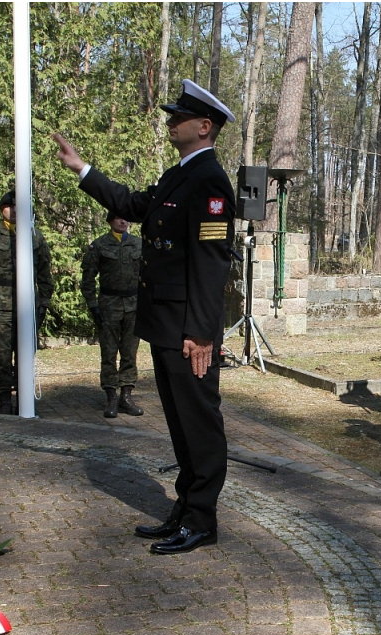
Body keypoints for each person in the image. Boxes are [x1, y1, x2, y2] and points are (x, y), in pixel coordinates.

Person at [54, 78, 236, 555]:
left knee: (199, 422)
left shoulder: (210, 180)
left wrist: (201, 333)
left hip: (187, 330)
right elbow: (134, 205)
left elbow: (212, 263)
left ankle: (202, 518)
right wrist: (83, 169)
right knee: (178, 421)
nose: (171, 122)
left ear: (204, 126)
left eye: (179, 117)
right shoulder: (179, 174)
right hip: (164, 322)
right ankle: (185, 507)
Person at [0, 191, 55, 415]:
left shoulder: (34, 235)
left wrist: (43, 303)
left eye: (19, 206)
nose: (15, 210)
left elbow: (45, 273)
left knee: (26, 354)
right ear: (2, 209)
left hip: (27, 304)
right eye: (10, 206)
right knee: (1, 355)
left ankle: (24, 396)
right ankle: (4, 398)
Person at [81, 211, 144, 419]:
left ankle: (126, 395)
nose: (124, 220)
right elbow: (88, 280)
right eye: (119, 218)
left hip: (133, 305)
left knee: (130, 351)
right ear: (110, 221)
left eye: (126, 217)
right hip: (108, 305)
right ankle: (111, 396)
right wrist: (93, 307)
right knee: (108, 353)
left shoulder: (138, 244)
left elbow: (148, 275)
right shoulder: (99, 245)